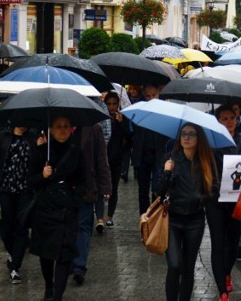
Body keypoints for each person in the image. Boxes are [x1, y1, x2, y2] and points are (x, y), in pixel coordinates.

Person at [157, 124, 218, 301]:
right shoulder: (171, 160)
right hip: (173, 219)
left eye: (191, 134)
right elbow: (158, 192)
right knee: (175, 265)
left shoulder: (206, 162)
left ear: (199, 139)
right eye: (184, 134)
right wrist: (167, 173)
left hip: (195, 221)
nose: (187, 138)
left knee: (188, 268)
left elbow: (214, 191)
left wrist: (201, 199)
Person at [28, 116, 86, 301]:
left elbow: (84, 180)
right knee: (46, 253)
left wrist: (76, 200)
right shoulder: (41, 152)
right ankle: (49, 285)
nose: (62, 130)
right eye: (58, 127)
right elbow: (30, 181)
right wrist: (43, 176)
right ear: (51, 130)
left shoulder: (77, 152)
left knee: (64, 253)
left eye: (66, 126)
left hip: (67, 210)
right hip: (46, 209)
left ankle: (58, 296)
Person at [207, 105, 241, 300]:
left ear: (237, 119)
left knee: (233, 244)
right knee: (218, 244)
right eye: (224, 119)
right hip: (215, 200)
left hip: (238, 200)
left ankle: (226, 271)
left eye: (232, 118)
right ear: (217, 120)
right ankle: (222, 290)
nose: (229, 122)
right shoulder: (211, 143)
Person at [0, 126, 37, 284]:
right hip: (5, 190)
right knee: (5, 229)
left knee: (21, 228)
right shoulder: (3, 137)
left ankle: (15, 267)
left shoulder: (33, 138)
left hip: (25, 192)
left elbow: (40, 163)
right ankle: (14, 253)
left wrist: (42, 147)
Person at [71, 123, 112, 286]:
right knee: (68, 226)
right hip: (64, 187)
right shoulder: (56, 125)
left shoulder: (93, 128)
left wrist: (105, 186)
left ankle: (79, 267)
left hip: (87, 186)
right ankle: (69, 260)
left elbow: (101, 158)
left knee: (82, 226)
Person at [131, 85, 170, 215]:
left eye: (154, 95)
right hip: (143, 155)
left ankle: (154, 215)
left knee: (157, 188)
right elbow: (131, 133)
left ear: (158, 94)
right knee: (143, 190)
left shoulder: (165, 110)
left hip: (159, 155)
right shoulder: (140, 109)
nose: (151, 98)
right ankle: (144, 216)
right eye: (148, 96)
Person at [98, 92, 131, 231]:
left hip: (116, 158)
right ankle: (100, 218)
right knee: (100, 188)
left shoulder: (123, 118)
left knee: (113, 188)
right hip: (102, 157)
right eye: (109, 104)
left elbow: (129, 139)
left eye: (114, 104)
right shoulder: (101, 118)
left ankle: (110, 217)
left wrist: (121, 123)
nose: (112, 107)